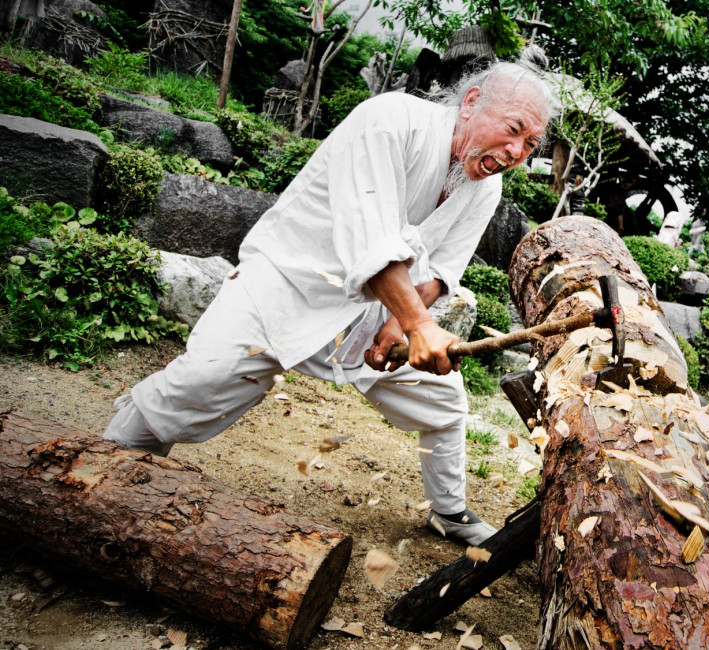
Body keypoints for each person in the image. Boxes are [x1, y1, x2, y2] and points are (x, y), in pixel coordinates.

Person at [103, 61, 554, 547]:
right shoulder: (389, 119)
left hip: (377, 310)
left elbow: (443, 269)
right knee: (200, 381)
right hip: (284, 283)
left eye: (530, 144)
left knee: (443, 402)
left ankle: (449, 512)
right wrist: (417, 323)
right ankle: (103, 462)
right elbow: (373, 242)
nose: (516, 152)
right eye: (513, 130)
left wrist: (402, 327)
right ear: (470, 103)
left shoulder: (485, 187)